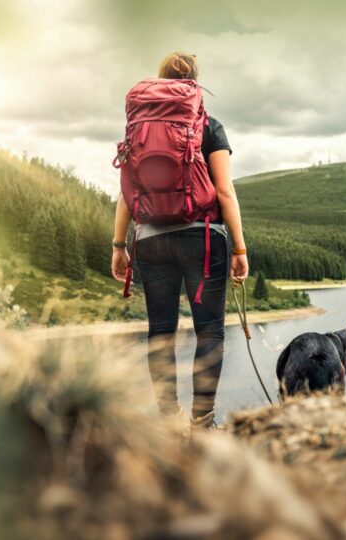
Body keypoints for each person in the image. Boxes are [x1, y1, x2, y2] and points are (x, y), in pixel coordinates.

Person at [111, 51, 249, 429]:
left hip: (150, 242)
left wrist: (118, 246)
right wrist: (239, 248)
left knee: (160, 333)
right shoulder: (210, 127)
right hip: (203, 241)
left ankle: (168, 423)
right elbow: (224, 192)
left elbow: (126, 191)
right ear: (194, 83)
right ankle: (202, 423)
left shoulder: (137, 129)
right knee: (209, 331)